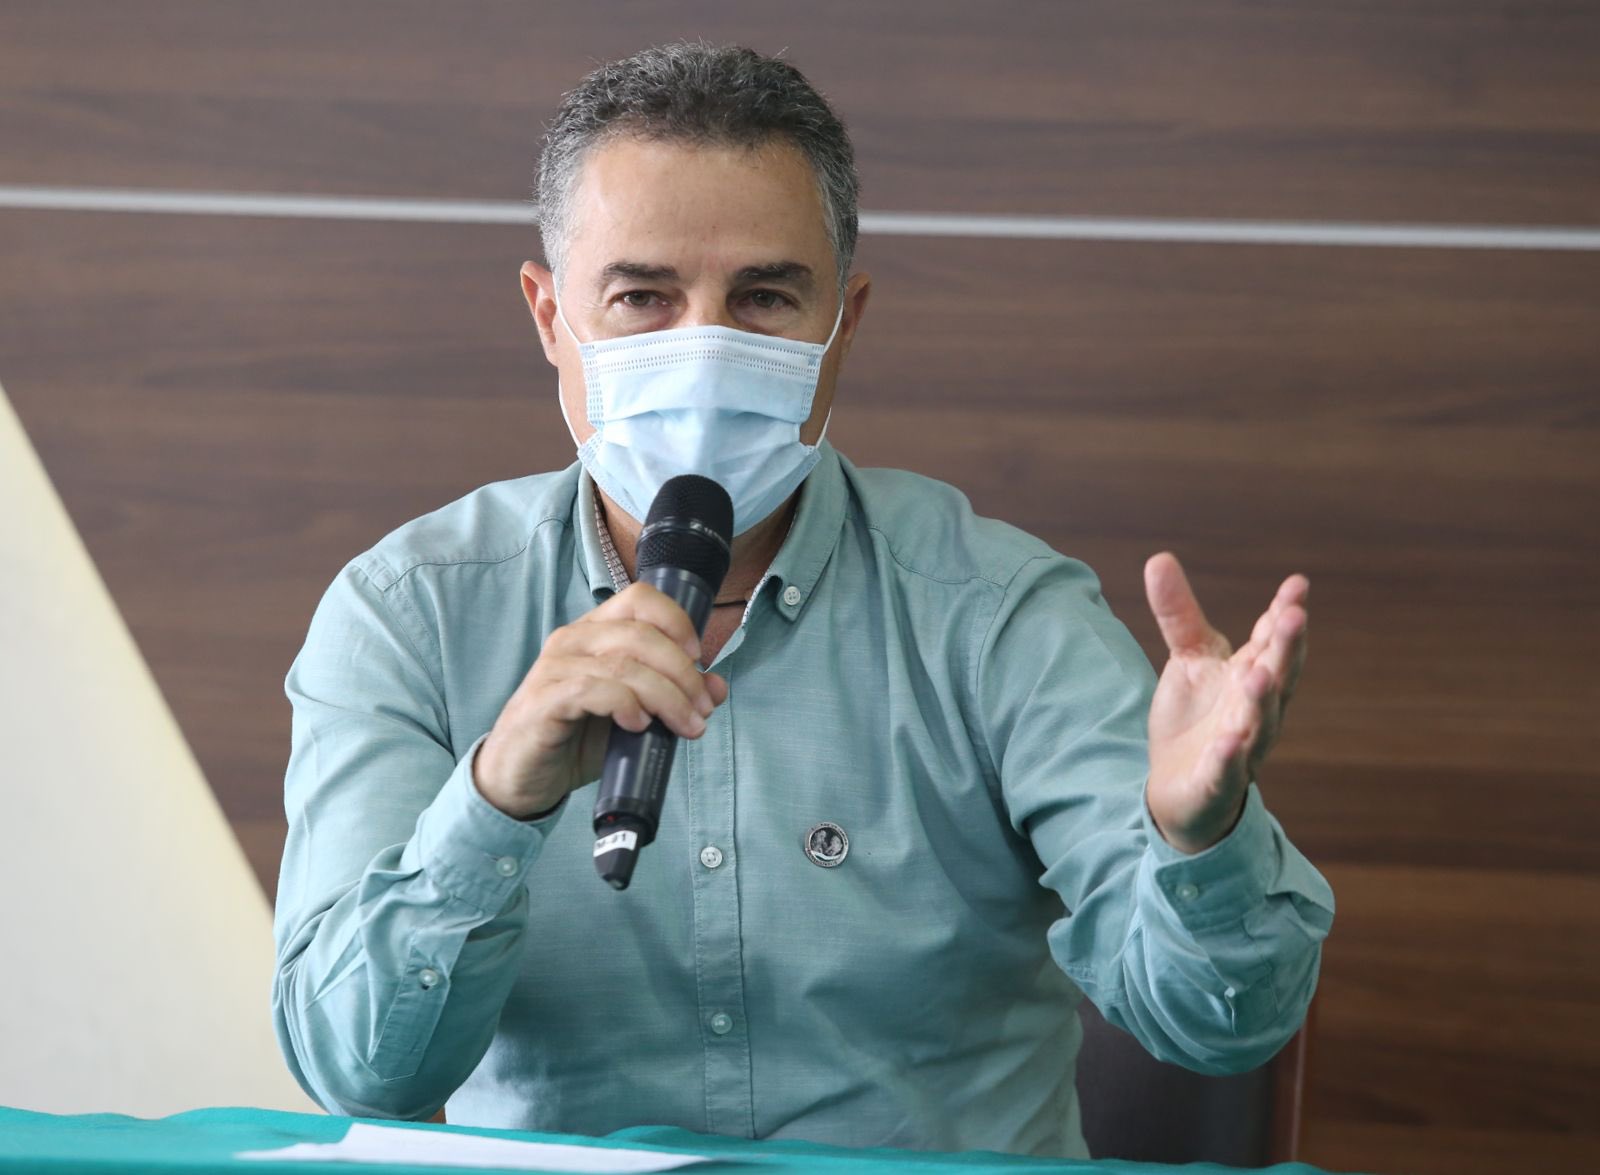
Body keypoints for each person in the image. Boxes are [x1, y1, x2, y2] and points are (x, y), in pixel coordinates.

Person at [271, 41, 1334, 1160]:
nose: (704, 349)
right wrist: (496, 799)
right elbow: (356, 1067)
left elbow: (1225, 1025)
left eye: (764, 297)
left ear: (844, 323)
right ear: (549, 317)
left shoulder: (999, 615)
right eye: (641, 296)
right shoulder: (409, 614)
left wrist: (1199, 840)